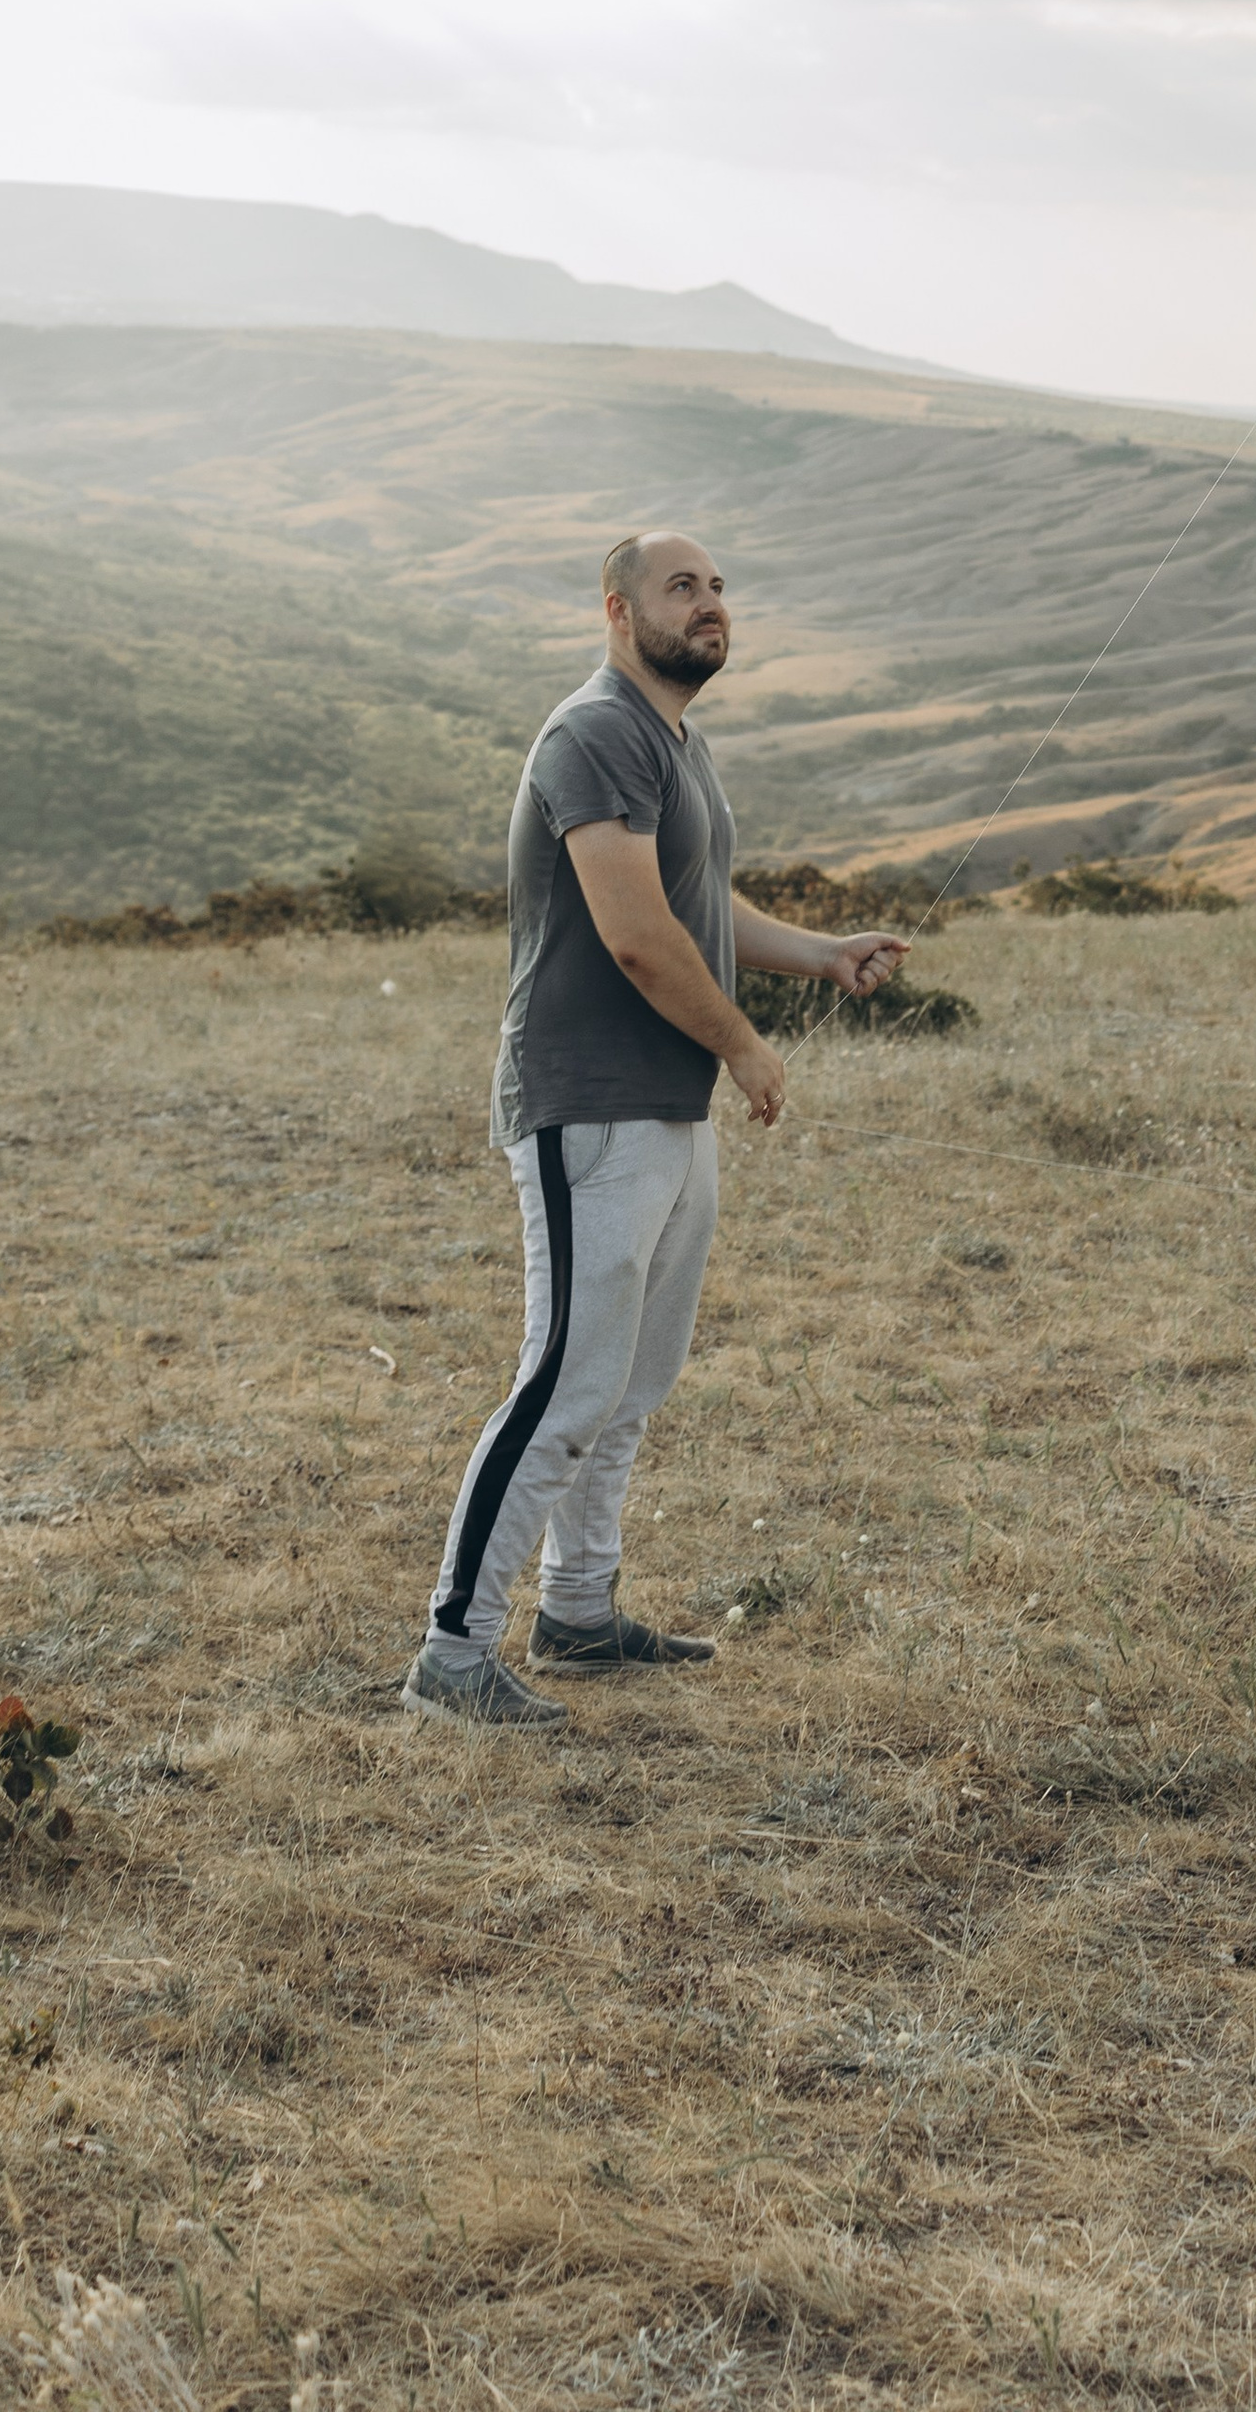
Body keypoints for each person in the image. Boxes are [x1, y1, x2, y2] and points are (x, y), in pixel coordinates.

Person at [402, 529, 906, 1727]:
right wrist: (743, 1042)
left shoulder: (673, 740)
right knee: (567, 1379)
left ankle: (578, 1612)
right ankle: (453, 1655)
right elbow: (632, 929)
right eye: (684, 587)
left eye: (720, 586)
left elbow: (693, 898)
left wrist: (820, 955)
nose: (712, 604)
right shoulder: (595, 731)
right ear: (620, 610)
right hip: (589, 1105)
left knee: (632, 1381)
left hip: (664, 1108)